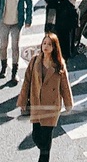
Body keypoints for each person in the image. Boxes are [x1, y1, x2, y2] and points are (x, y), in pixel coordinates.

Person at [17, 34, 71, 162]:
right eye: (44, 43)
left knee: (45, 143)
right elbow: (27, 81)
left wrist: (68, 103)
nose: (46, 46)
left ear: (54, 47)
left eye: (49, 44)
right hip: (37, 104)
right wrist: (23, 100)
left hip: (51, 107)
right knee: (36, 136)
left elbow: (65, 86)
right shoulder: (35, 61)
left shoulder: (59, 64)